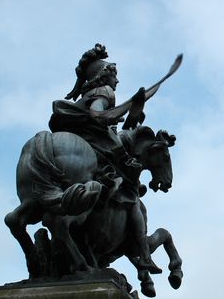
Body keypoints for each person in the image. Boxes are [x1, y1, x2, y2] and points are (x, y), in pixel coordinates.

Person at [49, 43, 159, 274]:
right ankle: (143, 254)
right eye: (115, 77)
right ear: (105, 77)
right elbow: (96, 114)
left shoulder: (87, 92)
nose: (117, 82)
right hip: (98, 145)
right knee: (130, 193)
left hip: (83, 141)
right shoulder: (105, 93)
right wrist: (111, 115)